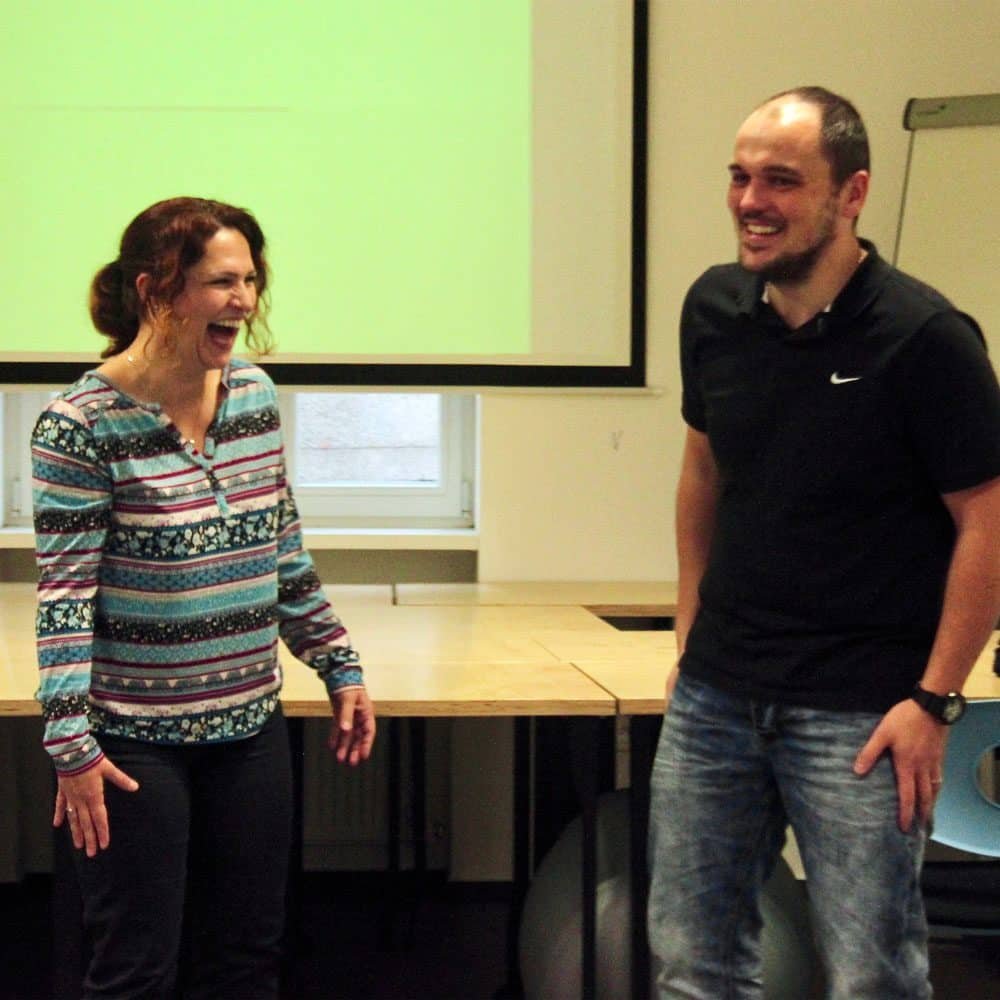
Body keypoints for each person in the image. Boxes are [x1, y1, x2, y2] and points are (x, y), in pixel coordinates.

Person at [647, 87, 1000, 998]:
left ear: (853, 194)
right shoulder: (715, 308)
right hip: (717, 697)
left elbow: (986, 521)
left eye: (781, 180)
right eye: (738, 177)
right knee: (692, 964)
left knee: (871, 978)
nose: (750, 201)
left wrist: (935, 701)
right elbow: (702, 470)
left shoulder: (926, 339)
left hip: (863, 714)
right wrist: (689, 630)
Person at [32, 196, 377, 999]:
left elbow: (281, 553)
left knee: (246, 964)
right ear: (156, 290)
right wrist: (71, 744)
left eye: (250, 281)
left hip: (250, 732)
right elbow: (65, 600)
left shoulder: (252, 396)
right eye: (223, 282)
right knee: (135, 972)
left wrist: (338, 663)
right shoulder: (80, 424)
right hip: (132, 748)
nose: (244, 301)